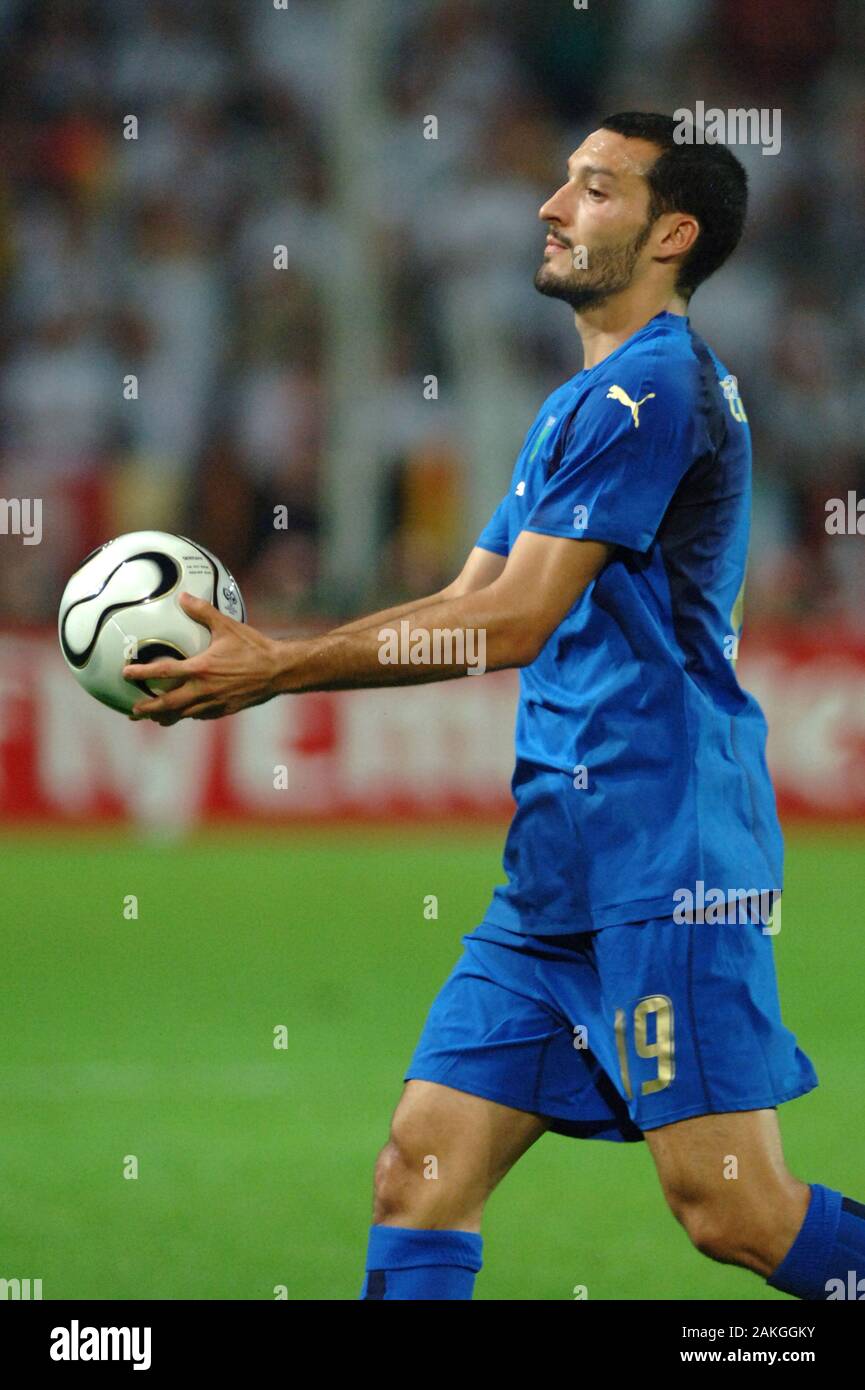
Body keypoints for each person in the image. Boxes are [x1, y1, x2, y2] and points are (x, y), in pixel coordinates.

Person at [125, 113, 864, 1302]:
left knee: (733, 1208)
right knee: (419, 1171)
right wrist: (273, 661)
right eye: (560, 183)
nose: (549, 206)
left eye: (592, 189)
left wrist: (283, 666)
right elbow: (466, 602)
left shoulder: (658, 389)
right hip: (557, 873)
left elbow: (511, 621)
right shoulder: (579, 402)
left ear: (671, 233)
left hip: (666, 852)